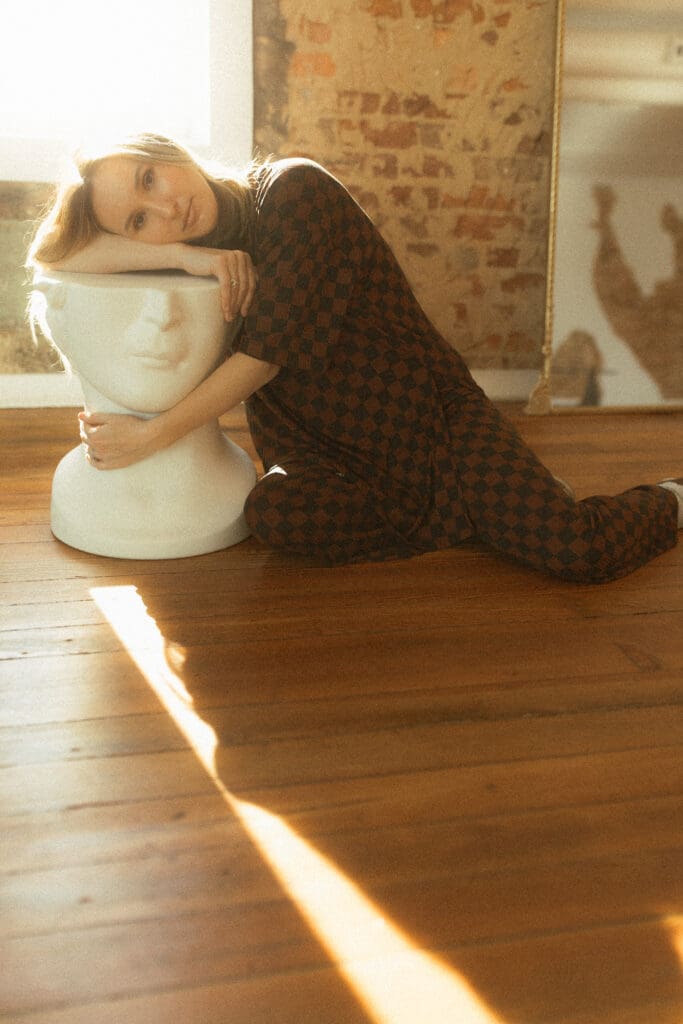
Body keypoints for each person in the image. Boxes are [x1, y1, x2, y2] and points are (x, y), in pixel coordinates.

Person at [27, 131, 682, 580]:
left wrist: (151, 437)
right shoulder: (199, 254)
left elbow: (264, 356)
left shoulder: (293, 192)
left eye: (150, 178)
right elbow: (53, 257)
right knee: (272, 517)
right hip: (323, 452)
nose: (165, 206)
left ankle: (667, 497)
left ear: (169, 151)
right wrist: (178, 254)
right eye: (139, 220)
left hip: (431, 425)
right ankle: (481, 514)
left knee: (575, 551)